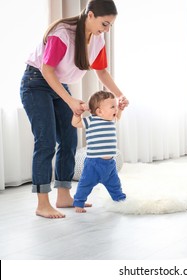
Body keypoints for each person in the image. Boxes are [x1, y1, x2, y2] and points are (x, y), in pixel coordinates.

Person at [20, 0, 128, 219]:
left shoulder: (97, 38)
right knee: (46, 141)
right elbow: (47, 70)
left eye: (110, 26)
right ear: (90, 15)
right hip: (36, 82)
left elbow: (102, 72)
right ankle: (42, 203)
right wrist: (70, 100)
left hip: (58, 84)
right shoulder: (62, 33)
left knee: (69, 140)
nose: (106, 30)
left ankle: (63, 195)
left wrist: (119, 95)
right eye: (104, 24)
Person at [72, 90, 126, 213]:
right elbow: (75, 124)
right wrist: (77, 114)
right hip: (93, 164)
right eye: (113, 107)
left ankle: (120, 200)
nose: (116, 109)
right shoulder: (91, 120)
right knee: (85, 184)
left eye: (116, 106)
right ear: (99, 111)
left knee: (115, 185)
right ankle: (79, 203)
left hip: (110, 164)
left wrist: (120, 109)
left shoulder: (111, 120)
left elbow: (118, 116)